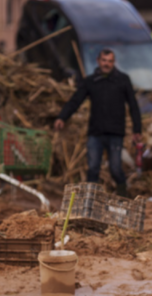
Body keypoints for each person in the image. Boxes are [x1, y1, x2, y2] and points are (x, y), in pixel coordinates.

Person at [55, 49, 142, 197]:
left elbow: (133, 106)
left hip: (115, 133)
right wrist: (62, 117)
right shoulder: (91, 81)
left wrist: (137, 130)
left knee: (115, 169)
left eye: (109, 61)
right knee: (93, 169)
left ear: (113, 62)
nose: (106, 64)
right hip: (95, 133)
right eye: (104, 61)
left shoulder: (122, 80)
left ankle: (123, 197)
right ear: (98, 61)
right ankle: (90, 200)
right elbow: (75, 101)